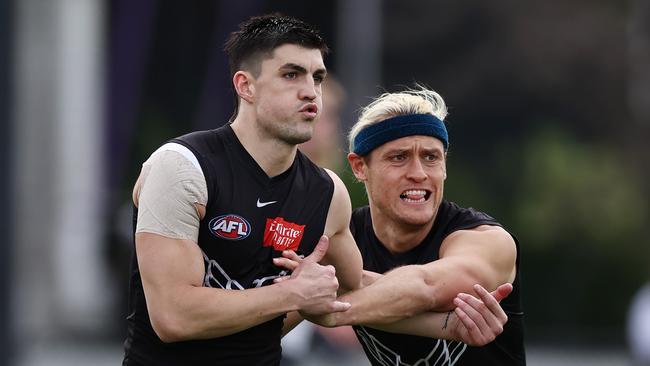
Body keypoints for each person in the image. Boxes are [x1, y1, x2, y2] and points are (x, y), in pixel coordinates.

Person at [123, 13, 513, 366]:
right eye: (291, 75)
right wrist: (292, 295)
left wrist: (448, 326)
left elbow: (352, 291)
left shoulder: (328, 192)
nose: (311, 92)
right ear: (246, 86)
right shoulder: (182, 166)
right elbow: (172, 316)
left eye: (317, 77)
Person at [277, 86, 526, 365]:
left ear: (444, 167)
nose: (418, 174)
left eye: (431, 158)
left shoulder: (487, 240)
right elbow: (264, 330)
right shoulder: (339, 238)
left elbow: (428, 287)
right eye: (399, 157)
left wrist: (334, 310)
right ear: (360, 167)